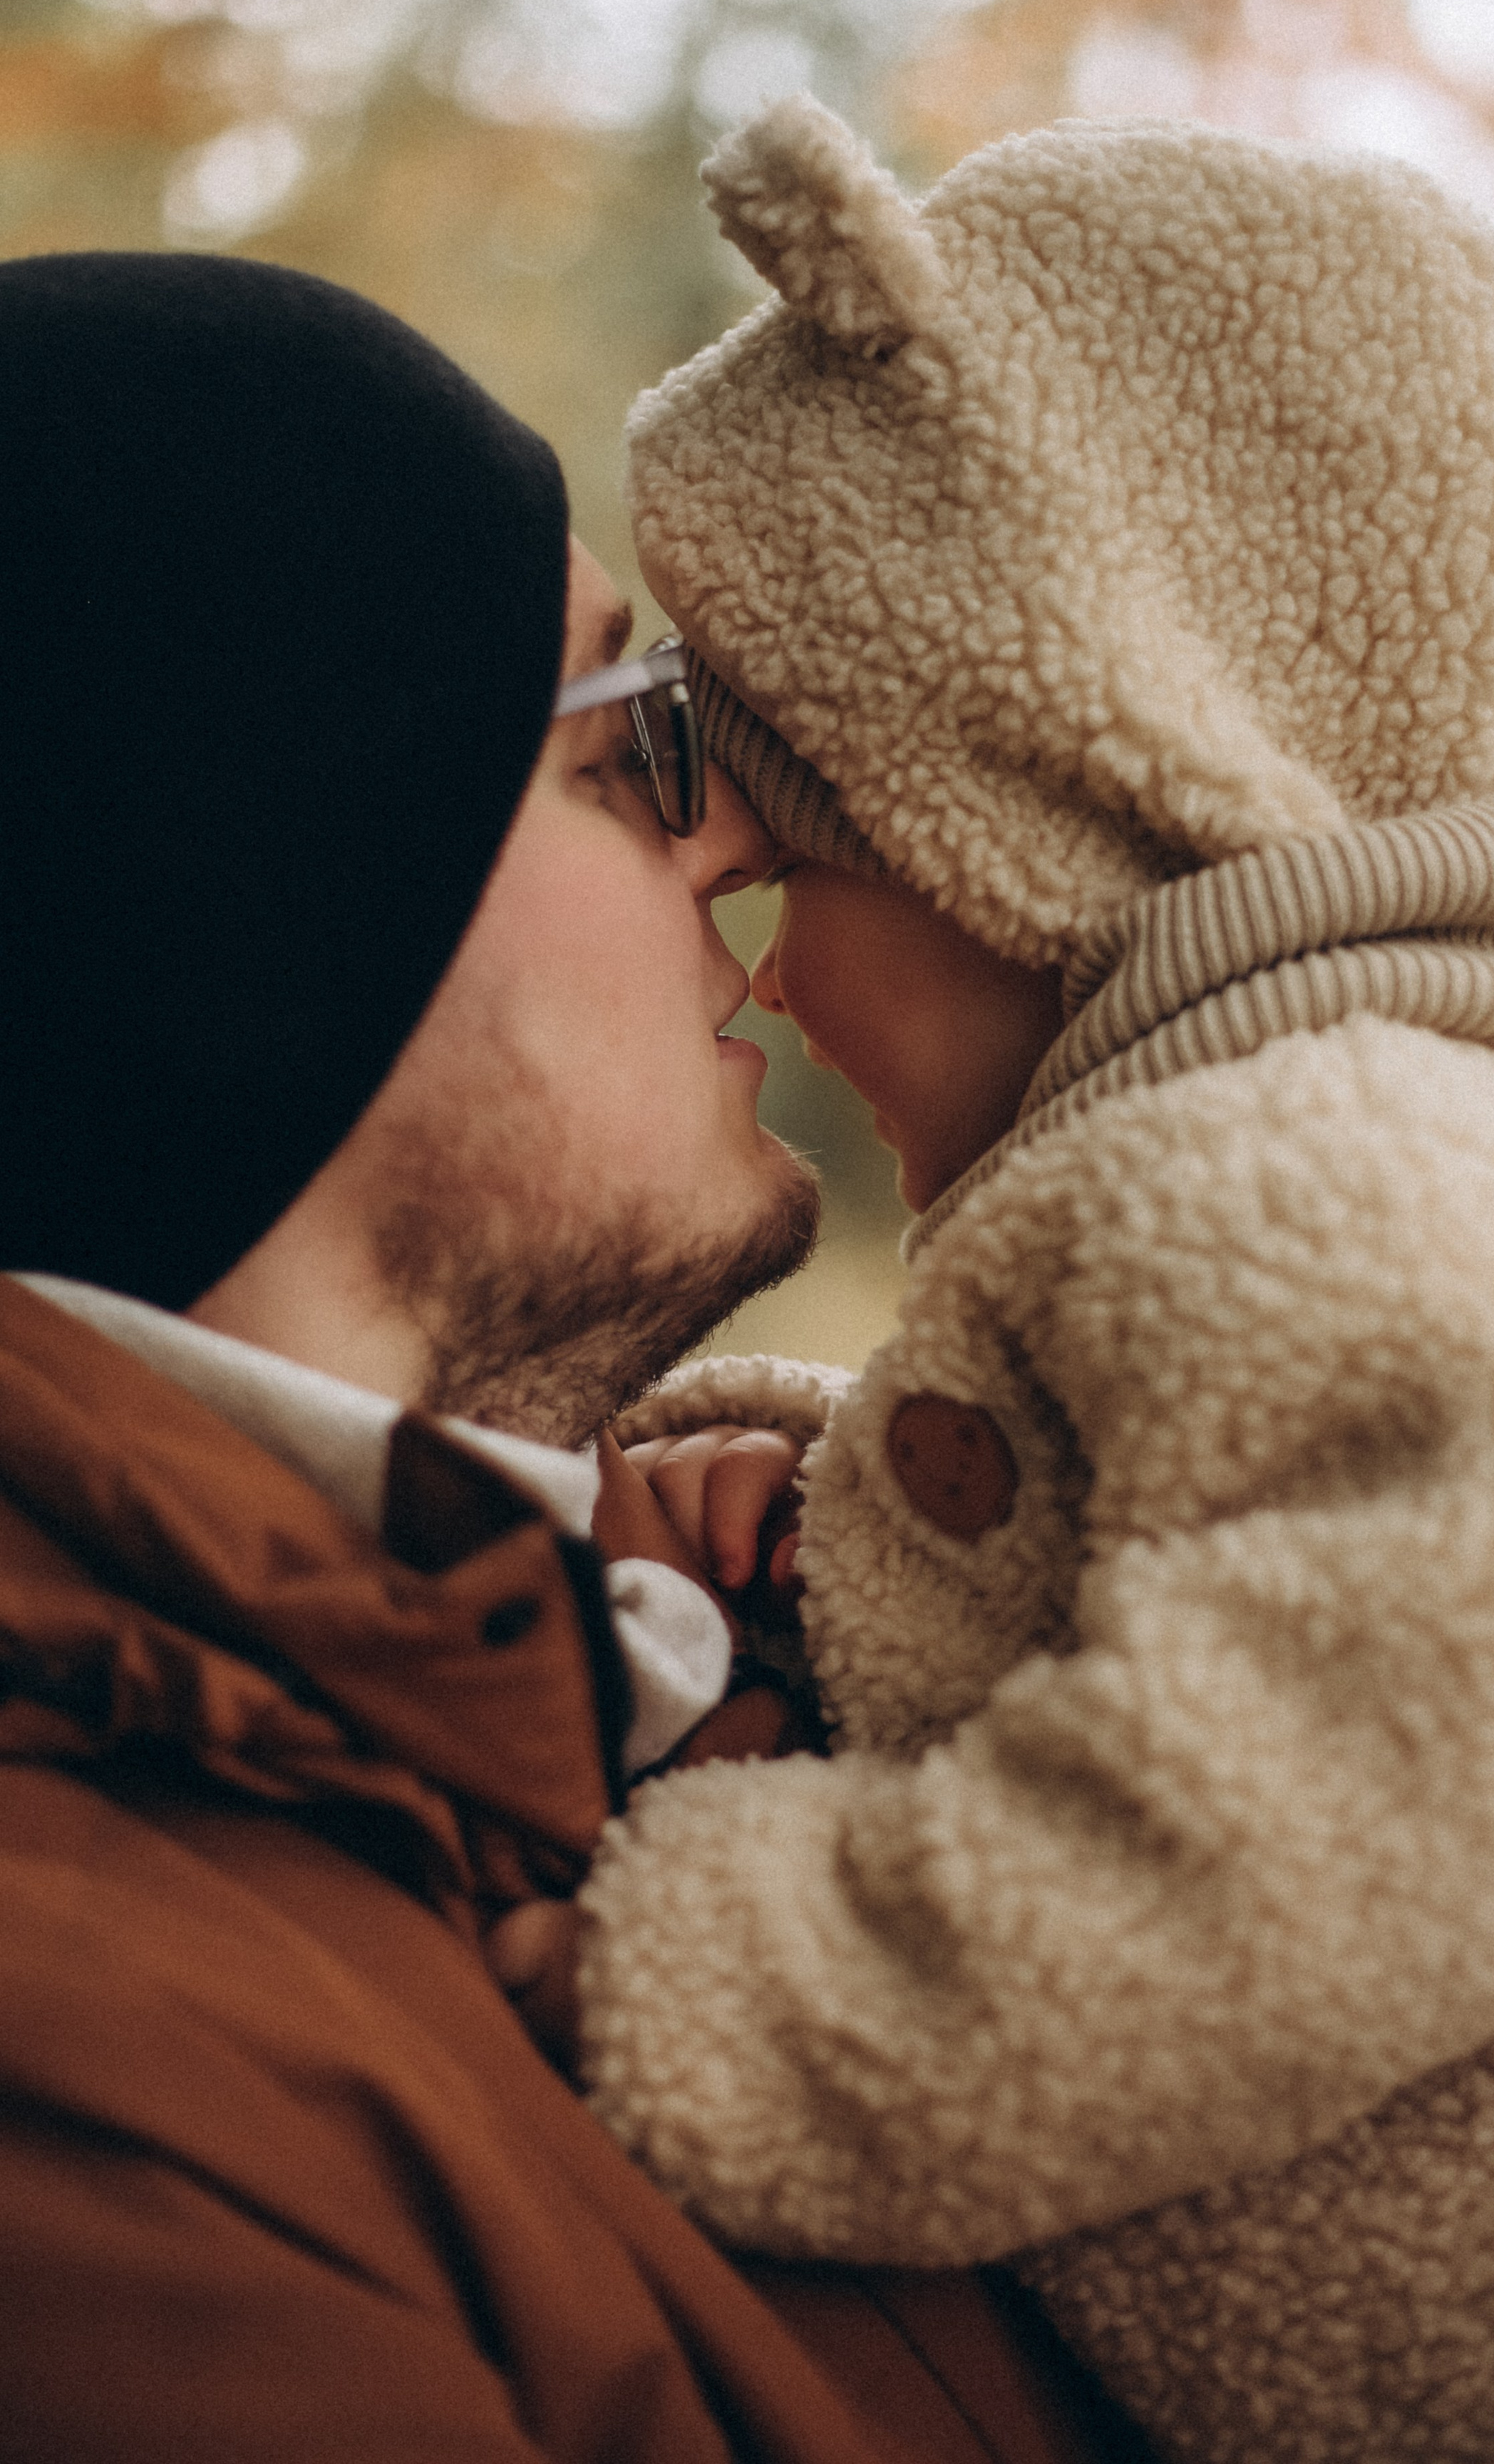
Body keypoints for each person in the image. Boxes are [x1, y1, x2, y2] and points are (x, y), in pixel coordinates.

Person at [519, 100, 1494, 2463]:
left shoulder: (1342, 1168)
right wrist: (836, 1490)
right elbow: (1229, 1575)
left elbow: (1382, 1770)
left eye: (790, 805)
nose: (745, 932)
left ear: (1054, 791)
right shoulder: (1346, 1180)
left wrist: (749, 1980)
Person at [0, 249, 1123, 2464]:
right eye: (631, 746)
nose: (745, 833)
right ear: (279, 875)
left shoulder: (782, 1638)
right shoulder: (96, 2079)